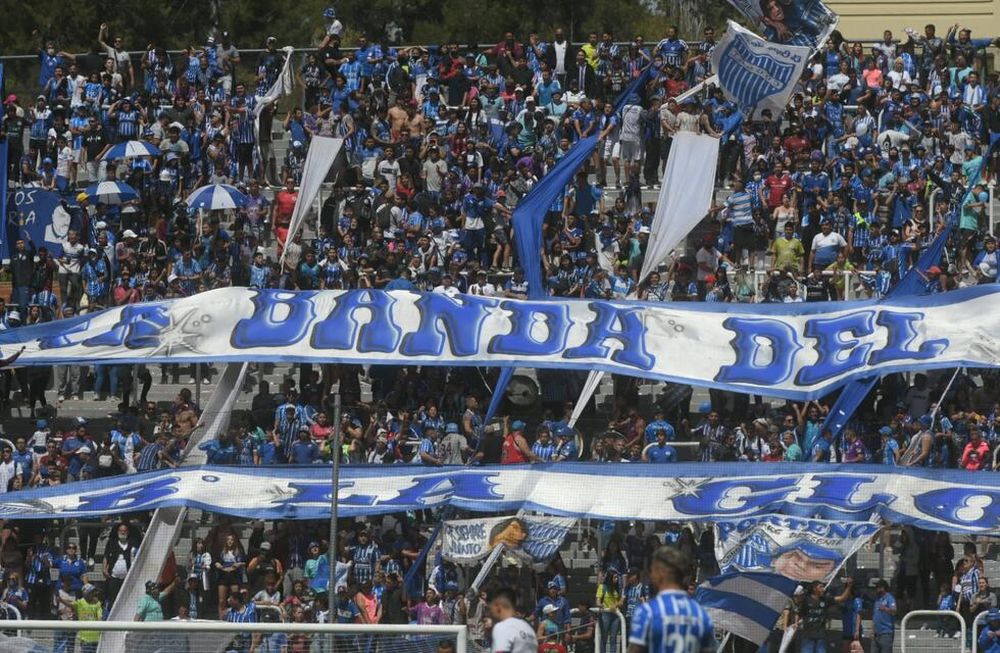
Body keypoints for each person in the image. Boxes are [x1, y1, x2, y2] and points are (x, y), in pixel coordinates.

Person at [628, 547, 713, 653]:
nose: (651, 575)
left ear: (661, 573)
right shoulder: (701, 614)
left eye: (652, 570)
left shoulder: (648, 612)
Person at [489, 587, 538, 653]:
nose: (491, 612)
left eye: (490, 608)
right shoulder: (529, 629)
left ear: (498, 606)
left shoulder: (502, 627)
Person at [872, 580, 897, 653]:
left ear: (882, 588)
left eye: (877, 587)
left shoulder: (890, 598)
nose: (876, 589)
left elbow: (894, 611)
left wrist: (885, 609)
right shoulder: (877, 600)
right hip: (876, 633)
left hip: (886, 633)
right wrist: (872, 629)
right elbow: (874, 616)